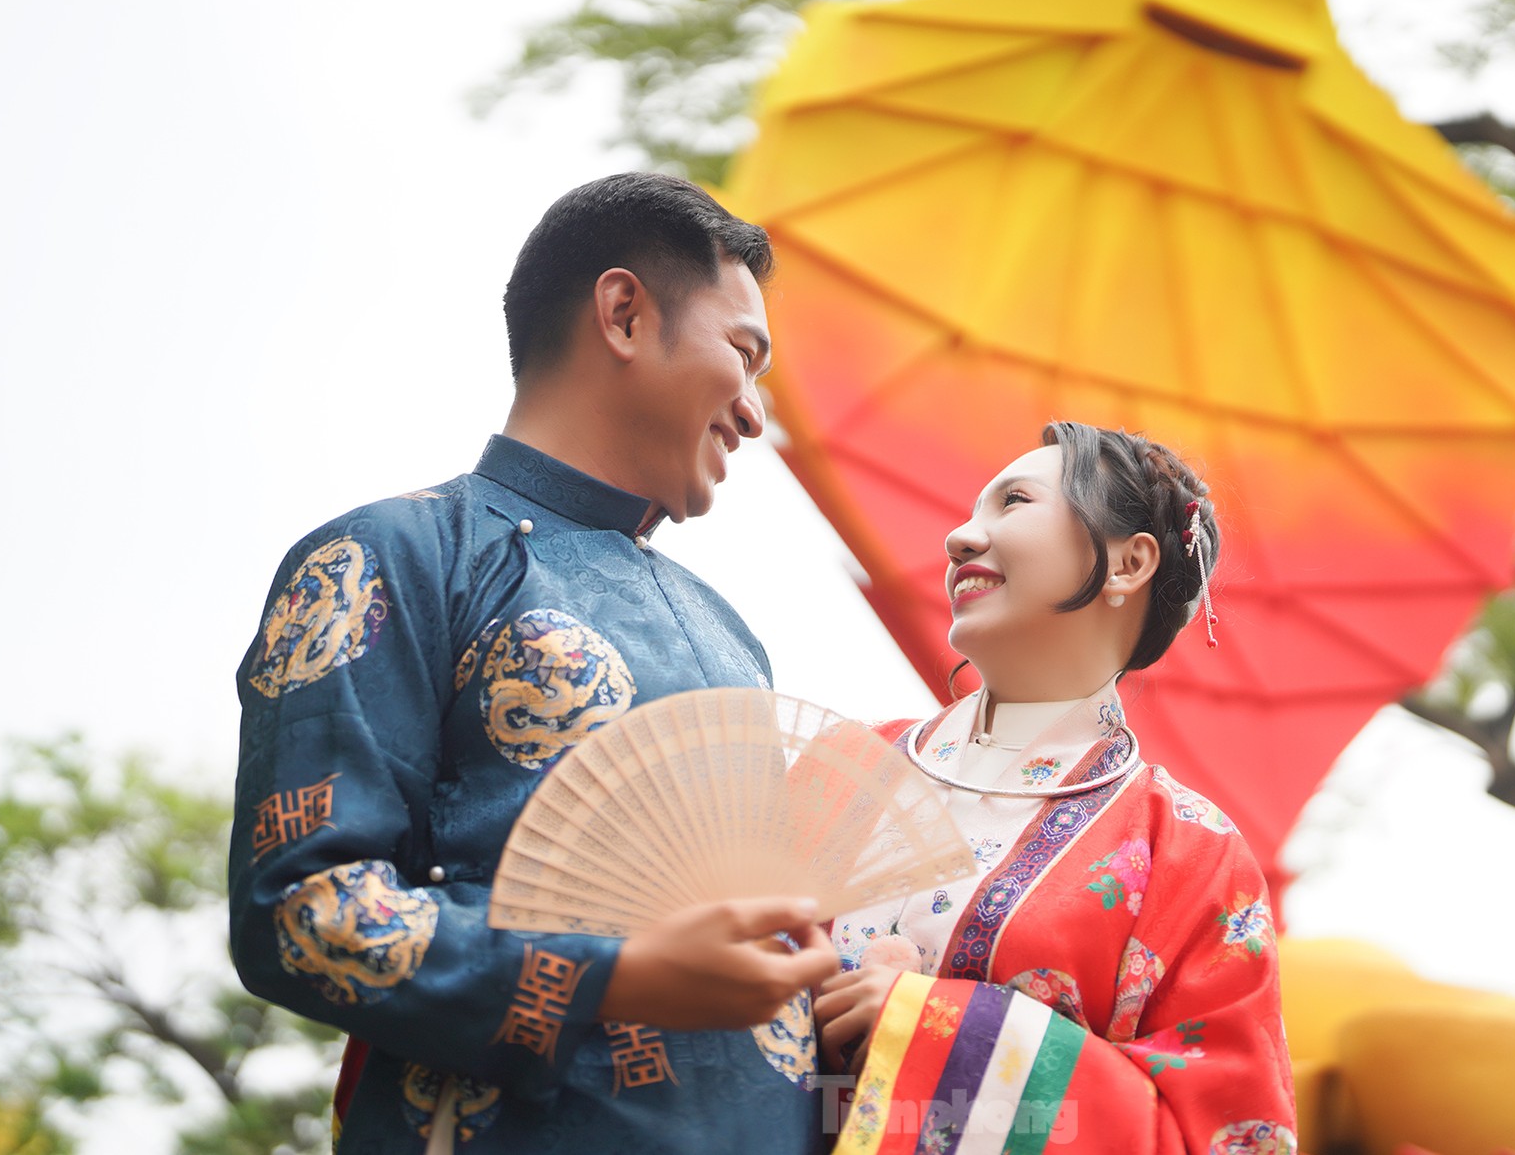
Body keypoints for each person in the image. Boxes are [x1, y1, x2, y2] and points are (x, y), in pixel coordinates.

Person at [229, 172, 839, 1154]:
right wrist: (614, 975)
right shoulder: (393, 555)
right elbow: (303, 913)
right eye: (744, 352)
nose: (756, 413)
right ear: (625, 313)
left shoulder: (734, 632)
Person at [814, 423, 1297, 1155]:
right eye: (972, 509)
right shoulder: (839, 761)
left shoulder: (1190, 855)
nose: (960, 537)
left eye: (1013, 502)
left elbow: (1228, 1138)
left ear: (1129, 562)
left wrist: (934, 1033)